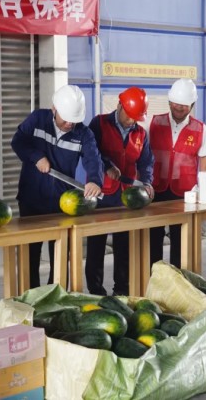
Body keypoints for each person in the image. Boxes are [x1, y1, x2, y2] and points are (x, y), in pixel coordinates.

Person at [11, 84, 103, 288]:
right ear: (54, 109)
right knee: (30, 254)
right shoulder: (37, 119)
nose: (70, 124)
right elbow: (18, 141)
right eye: (66, 118)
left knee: (60, 257)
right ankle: (31, 298)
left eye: (74, 120)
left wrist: (94, 180)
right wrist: (36, 157)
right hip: (31, 199)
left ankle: (56, 297)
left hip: (62, 204)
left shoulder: (84, 133)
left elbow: (93, 159)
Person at [86, 87, 154, 296]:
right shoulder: (99, 123)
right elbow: (91, 151)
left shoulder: (140, 133)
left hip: (126, 197)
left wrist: (147, 182)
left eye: (136, 118)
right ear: (119, 106)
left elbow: (146, 162)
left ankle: (122, 291)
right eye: (129, 116)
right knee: (96, 246)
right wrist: (107, 165)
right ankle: (96, 291)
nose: (132, 121)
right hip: (100, 195)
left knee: (123, 246)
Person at [148, 78, 206, 269]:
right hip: (156, 191)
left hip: (185, 194)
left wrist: (203, 192)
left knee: (181, 240)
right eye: (176, 103)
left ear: (191, 105)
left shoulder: (200, 129)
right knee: (153, 238)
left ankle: (178, 278)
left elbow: (205, 162)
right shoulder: (153, 123)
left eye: (184, 105)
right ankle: (155, 276)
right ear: (169, 102)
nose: (179, 107)